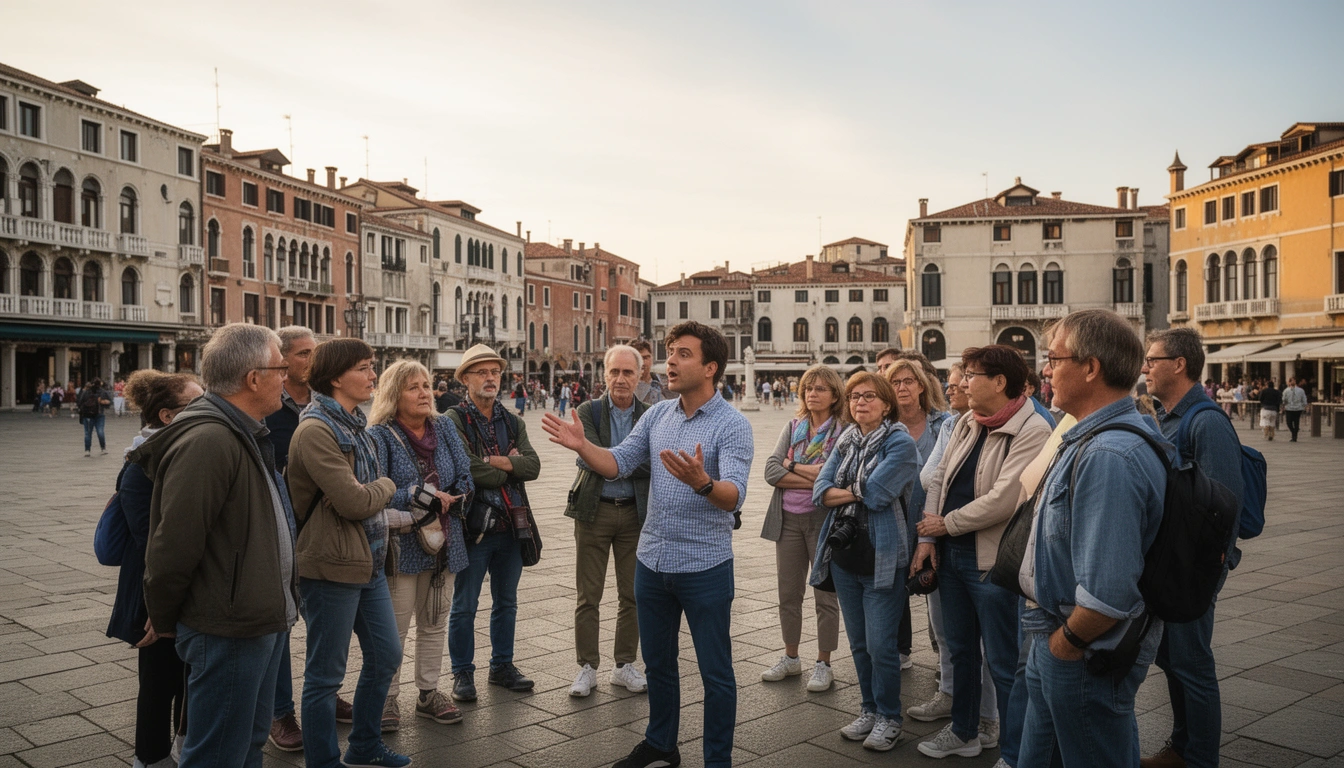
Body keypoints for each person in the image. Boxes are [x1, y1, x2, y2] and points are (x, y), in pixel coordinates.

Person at [542, 321, 752, 768]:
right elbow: (617, 463)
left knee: (715, 673)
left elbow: (734, 494)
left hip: (705, 566)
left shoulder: (733, 425)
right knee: (658, 665)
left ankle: (717, 760)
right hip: (653, 563)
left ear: (711, 367)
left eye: (683, 354)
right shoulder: (657, 416)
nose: (670, 361)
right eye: (669, 351)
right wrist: (583, 446)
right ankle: (661, 745)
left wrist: (703, 483)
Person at [132, 324, 298, 768]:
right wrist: (163, 615)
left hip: (255, 617)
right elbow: (173, 544)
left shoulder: (241, 430)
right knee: (218, 752)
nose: (287, 377)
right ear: (253, 379)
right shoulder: (210, 439)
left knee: (247, 742)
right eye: (281, 368)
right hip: (229, 625)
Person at [1018, 309, 1168, 768]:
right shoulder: (1091, 438)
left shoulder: (1108, 454)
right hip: (1058, 635)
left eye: (1054, 358)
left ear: (1090, 367)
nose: (1045, 370)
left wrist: (1064, 644)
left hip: (1082, 650)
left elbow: (1108, 593)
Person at [912, 346, 1052, 760]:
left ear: (1000, 382)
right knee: (960, 651)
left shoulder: (1033, 428)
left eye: (971, 375)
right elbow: (939, 477)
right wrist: (929, 537)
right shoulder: (967, 421)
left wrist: (946, 524)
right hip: (951, 555)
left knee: (1004, 662)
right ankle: (964, 732)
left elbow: (1004, 498)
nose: (961, 383)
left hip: (992, 562)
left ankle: (1012, 752)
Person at [287, 338, 407, 768]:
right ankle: (323, 761)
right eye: (364, 367)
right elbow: (355, 501)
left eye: (372, 366)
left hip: (369, 560)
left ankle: (364, 746)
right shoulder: (316, 430)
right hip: (331, 565)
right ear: (336, 378)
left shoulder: (356, 424)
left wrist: (369, 491)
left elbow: (358, 496)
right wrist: (387, 485)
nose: (374, 375)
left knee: (386, 655)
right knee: (325, 675)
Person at [1141, 328, 1246, 768]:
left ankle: (1199, 758)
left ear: (1179, 364)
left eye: (1152, 360)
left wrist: (1206, 574)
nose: (1145, 368)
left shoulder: (1206, 422)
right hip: (1172, 565)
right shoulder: (1168, 417)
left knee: (1193, 665)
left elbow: (1225, 505)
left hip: (1192, 569)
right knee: (1174, 660)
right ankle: (1181, 748)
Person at [809, 371, 920, 751]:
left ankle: (890, 717)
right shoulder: (846, 439)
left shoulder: (900, 443)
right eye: (855, 396)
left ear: (887, 404)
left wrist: (846, 490)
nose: (860, 402)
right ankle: (869, 709)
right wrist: (853, 490)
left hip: (883, 556)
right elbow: (819, 492)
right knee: (858, 643)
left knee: (881, 646)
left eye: (869, 396)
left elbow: (877, 494)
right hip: (844, 557)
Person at [368, 361, 474, 731]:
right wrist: (423, 495)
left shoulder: (443, 427)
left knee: (434, 621)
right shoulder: (380, 435)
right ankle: (387, 696)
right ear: (394, 394)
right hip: (402, 545)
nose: (425, 393)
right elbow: (376, 490)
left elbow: (465, 473)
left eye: (426, 385)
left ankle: (428, 693)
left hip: (444, 540)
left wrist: (456, 495)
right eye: (413, 387)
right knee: (394, 627)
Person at [108, 370, 203, 768]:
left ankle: (183, 748)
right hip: (155, 589)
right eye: (196, 404)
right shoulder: (140, 466)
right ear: (167, 416)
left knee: (189, 675)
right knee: (158, 681)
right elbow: (151, 543)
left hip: (183, 585)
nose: (206, 409)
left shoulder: (184, 454)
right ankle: (149, 758)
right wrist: (159, 605)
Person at [444, 344, 542, 702]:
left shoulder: (512, 421)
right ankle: (462, 672)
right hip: (474, 526)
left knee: (506, 602)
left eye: (495, 372)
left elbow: (533, 466)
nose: (491, 378)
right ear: (465, 379)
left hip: (512, 526)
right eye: (482, 372)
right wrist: (509, 466)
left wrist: (493, 461)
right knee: (464, 604)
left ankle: (502, 666)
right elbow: (467, 468)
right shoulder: (453, 419)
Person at [908, 363, 999, 733]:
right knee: (947, 632)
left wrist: (946, 513)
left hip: (982, 546)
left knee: (990, 643)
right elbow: (930, 478)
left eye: (961, 382)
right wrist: (929, 536)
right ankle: (950, 696)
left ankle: (989, 717)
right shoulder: (953, 425)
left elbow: (995, 494)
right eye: (952, 383)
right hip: (943, 540)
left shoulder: (1010, 425)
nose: (952, 388)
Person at [564, 345, 653, 698]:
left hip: (634, 513)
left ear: (639, 376)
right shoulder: (589, 411)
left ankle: (624, 664)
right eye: (614, 372)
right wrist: (622, 460)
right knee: (588, 595)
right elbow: (586, 458)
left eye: (628, 372)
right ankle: (587, 667)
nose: (620, 379)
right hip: (594, 510)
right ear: (604, 375)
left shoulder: (650, 414)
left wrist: (609, 460)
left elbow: (653, 462)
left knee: (632, 594)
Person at [760, 364, 844, 692]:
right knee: (788, 594)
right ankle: (791, 657)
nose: (812, 393)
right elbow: (770, 471)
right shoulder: (793, 426)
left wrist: (791, 465)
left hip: (823, 520)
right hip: (788, 520)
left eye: (820, 388)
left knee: (825, 595)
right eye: (808, 388)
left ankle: (824, 663)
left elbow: (835, 477)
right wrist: (815, 475)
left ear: (834, 395)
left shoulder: (843, 431)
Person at [262, 326, 327, 753]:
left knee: (326, 619)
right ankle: (280, 711)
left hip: (324, 527)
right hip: (281, 529)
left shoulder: (324, 403)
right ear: (283, 361)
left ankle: (322, 695)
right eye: (305, 354)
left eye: (315, 352)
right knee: (282, 623)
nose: (313, 360)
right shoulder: (268, 408)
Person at [886, 357, 954, 669]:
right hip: (893, 523)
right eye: (895, 382)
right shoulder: (883, 427)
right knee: (891, 595)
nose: (902, 387)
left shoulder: (943, 424)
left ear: (921, 386)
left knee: (939, 597)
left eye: (908, 381)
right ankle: (898, 652)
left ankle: (945, 665)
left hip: (934, 523)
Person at [78, 377, 113, 456]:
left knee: (88, 433)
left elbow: (80, 402)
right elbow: (110, 402)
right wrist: (102, 402)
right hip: (99, 414)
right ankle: (103, 448)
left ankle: (87, 450)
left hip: (87, 415)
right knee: (100, 432)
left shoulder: (86, 392)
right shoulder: (103, 392)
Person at [632, 340, 665, 405]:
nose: (642, 363)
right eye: (638, 359)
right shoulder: (627, 388)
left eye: (645, 358)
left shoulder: (664, 384)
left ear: (651, 358)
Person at [1282, 376, 1308, 442]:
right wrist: (1283, 404)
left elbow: (1304, 398)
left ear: (1295, 381)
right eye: (1291, 381)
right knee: (1289, 422)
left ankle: (1295, 436)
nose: (1292, 382)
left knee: (1296, 422)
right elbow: (1284, 399)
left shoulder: (1301, 390)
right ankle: (1293, 432)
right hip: (1289, 408)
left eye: (1293, 380)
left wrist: (1304, 405)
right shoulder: (1286, 390)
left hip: (1297, 408)